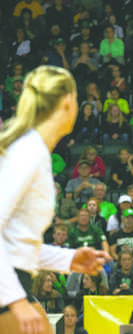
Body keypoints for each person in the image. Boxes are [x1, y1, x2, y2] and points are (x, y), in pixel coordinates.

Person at [0, 65, 108, 334]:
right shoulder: (28, 153)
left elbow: (16, 240)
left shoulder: (34, 151)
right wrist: (15, 301)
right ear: (68, 102)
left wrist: (68, 260)